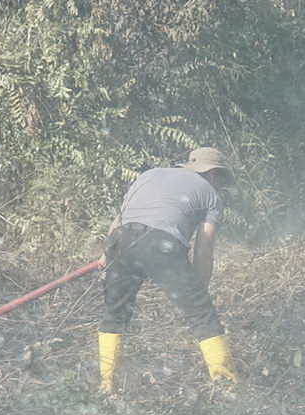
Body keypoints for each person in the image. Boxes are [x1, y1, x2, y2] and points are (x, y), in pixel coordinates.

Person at [98, 145, 233, 392]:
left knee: (114, 314)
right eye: (220, 179)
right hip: (162, 244)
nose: (219, 184)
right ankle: (225, 386)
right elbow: (204, 248)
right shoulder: (210, 194)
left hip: (121, 241)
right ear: (213, 174)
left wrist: (106, 257)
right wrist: (197, 291)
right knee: (203, 317)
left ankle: (107, 385)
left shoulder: (148, 175)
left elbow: (118, 220)